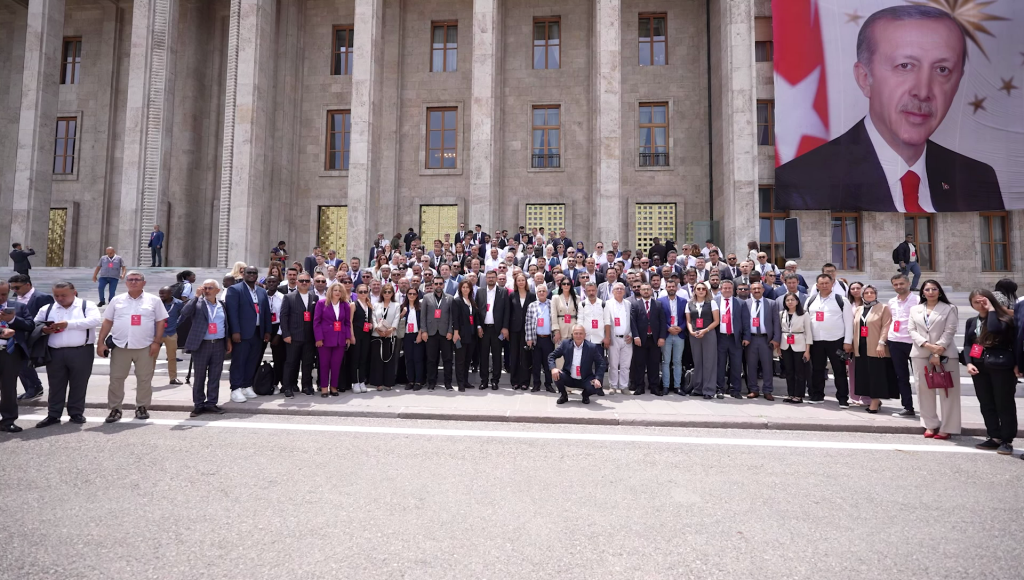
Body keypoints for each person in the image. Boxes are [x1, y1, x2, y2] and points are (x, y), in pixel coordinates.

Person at [775, 5, 1003, 212]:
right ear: (865, 78)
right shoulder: (803, 183)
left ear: (958, 82)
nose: (923, 91)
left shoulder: (978, 179)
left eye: (942, 69)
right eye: (905, 66)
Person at [96, 271, 168, 423]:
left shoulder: (154, 300)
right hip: (120, 345)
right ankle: (115, 409)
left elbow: (160, 322)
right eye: (130, 279)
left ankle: (142, 407)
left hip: (145, 346)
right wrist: (100, 342)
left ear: (144, 282)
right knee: (116, 379)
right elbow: (107, 321)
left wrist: (156, 342)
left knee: (144, 379)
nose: (134, 282)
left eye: (137, 279)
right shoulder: (117, 300)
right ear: (126, 282)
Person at [30, 281, 101, 427]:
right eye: (56, 295)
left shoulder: (86, 305)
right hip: (54, 352)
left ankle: (76, 413)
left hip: (81, 351)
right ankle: (53, 414)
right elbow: (35, 324)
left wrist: (68, 324)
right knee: (55, 384)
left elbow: (94, 321)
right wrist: (44, 329)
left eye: (64, 295)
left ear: (74, 292)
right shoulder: (47, 308)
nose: (60, 298)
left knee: (79, 383)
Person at [963, 289, 1017, 455]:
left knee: (1004, 403)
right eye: (976, 302)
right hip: (979, 366)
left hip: (1001, 366)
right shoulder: (972, 321)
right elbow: (968, 344)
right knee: (986, 403)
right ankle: (994, 436)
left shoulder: (1005, 319)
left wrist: (992, 309)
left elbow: (994, 329)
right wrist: (968, 363)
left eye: (984, 301)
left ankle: (1007, 439)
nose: (981, 305)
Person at [905, 280, 958, 437]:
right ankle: (929, 424)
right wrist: (927, 345)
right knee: (923, 390)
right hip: (920, 353)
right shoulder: (915, 309)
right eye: (927, 289)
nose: (930, 292)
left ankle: (948, 427)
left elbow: (950, 330)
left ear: (939, 291)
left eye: (934, 289)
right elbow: (911, 330)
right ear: (922, 292)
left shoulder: (949, 308)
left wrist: (937, 351)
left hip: (945, 353)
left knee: (948, 391)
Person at [179, 279, 231, 416]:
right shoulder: (198, 303)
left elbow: (226, 324)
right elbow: (185, 312)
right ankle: (199, 404)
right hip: (202, 344)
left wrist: (228, 341)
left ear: (217, 291)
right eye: (205, 288)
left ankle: (212, 403)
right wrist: (196, 296)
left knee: (215, 375)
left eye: (210, 288)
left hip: (218, 344)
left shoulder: (222, 305)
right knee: (200, 376)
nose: (207, 291)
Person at [805, 273, 853, 407]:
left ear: (832, 284)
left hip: (836, 340)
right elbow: (806, 320)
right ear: (817, 285)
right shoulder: (810, 300)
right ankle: (817, 395)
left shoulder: (841, 300)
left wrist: (848, 341)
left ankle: (842, 398)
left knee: (839, 370)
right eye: (821, 283)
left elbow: (848, 322)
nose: (824, 286)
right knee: (817, 369)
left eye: (827, 283)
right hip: (816, 341)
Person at [225, 266, 271, 403]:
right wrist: (235, 331)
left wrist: (267, 330)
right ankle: (236, 388)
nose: (252, 275)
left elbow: (266, 312)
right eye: (249, 273)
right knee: (239, 361)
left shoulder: (262, 291)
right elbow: (232, 313)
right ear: (243, 274)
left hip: (258, 332)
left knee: (253, 360)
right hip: (242, 333)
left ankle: (246, 385)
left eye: (254, 273)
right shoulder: (235, 290)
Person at [7, 274, 52, 400]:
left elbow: (49, 315)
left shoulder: (42, 297)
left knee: (25, 363)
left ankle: (35, 386)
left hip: (34, 335)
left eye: (17, 287)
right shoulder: (16, 299)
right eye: (12, 288)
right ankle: (30, 388)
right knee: (18, 364)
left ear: (28, 285)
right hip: (18, 336)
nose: (15, 290)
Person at [852, 285, 894, 415]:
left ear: (876, 294)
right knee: (865, 375)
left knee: (876, 375)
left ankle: (874, 403)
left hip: (876, 347)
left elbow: (886, 326)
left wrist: (881, 343)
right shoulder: (859, 309)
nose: (869, 295)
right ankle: (873, 400)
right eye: (866, 293)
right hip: (861, 348)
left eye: (872, 292)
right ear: (862, 295)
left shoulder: (883, 308)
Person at [0, 281, 33, 432]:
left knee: (9, 387)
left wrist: (12, 320)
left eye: (4, 294)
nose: (1, 298)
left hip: (10, 353)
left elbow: (30, 325)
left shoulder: (19, 307)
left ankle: (8, 420)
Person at [548, 324, 608, 405]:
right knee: (556, 374)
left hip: (585, 379)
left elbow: (601, 363)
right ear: (572, 334)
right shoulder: (565, 344)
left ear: (585, 335)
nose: (578, 336)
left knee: (595, 386)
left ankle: (585, 395)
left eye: (581, 333)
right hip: (569, 377)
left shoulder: (591, 347)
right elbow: (551, 356)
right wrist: (553, 368)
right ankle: (563, 395)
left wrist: (598, 378)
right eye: (576, 333)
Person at [886, 273, 919, 417]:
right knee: (902, 377)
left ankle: (926, 408)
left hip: (913, 343)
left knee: (919, 377)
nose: (899, 286)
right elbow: (890, 320)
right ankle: (907, 407)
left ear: (908, 283)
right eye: (895, 284)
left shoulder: (918, 300)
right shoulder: (892, 301)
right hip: (895, 342)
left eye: (901, 283)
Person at [280, 272, 318, 397]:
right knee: (291, 363)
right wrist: (286, 334)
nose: (304, 283)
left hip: (309, 337)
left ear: (310, 283)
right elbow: (283, 317)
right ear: (297, 282)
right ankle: (288, 387)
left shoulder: (314, 297)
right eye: (301, 281)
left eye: (306, 281)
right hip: (294, 336)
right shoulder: (288, 297)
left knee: (307, 363)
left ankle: (306, 386)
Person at [314, 282, 352, 397]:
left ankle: (334, 387)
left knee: (336, 365)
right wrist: (319, 338)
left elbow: (347, 323)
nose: (337, 292)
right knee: (324, 364)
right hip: (325, 339)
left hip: (340, 339)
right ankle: (324, 388)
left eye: (340, 291)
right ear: (331, 291)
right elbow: (316, 322)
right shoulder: (321, 303)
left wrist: (348, 337)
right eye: (335, 290)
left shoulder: (345, 305)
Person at [744, 282, 780, 400]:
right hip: (751, 339)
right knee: (751, 365)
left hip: (766, 339)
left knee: (767, 366)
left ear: (763, 290)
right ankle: (753, 389)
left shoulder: (771, 303)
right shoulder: (746, 303)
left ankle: (767, 390)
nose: (756, 290)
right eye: (754, 289)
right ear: (750, 291)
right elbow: (744, 322)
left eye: (759, 288)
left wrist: (776, 338)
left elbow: (776, 322)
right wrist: (745, 337)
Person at [715, 280, 749, 399]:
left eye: (729, 288)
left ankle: (735, 389)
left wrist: (746, 337)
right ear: (721, 289)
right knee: (720, 364)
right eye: (725, 288)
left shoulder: (740, 303)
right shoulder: (714, 301)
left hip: (735, 338)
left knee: (736, 365)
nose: (727, 290)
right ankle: (719, 388)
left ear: (733, 289)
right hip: (720, 337)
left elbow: (745, 321)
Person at [629, 283, 665, 395]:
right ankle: (640, 386)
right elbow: (633, 322)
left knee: (654, 364)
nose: (645, 291)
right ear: (640, 291)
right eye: (643, 289)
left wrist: (661, 337)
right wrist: (636, 336)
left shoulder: (658, 304)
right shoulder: (635, 304)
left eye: (648, 289)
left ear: (651, 291)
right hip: (640, 339)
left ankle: (654, 386)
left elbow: (662, 322)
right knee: (639, 364)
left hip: (654, 339)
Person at [476, 270, 509, 390]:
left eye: (493, 277)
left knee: (496, 356)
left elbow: (507, 311)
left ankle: (495, 380)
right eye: (488, 277)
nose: (490, 279)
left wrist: (505, 327)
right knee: (483, 356)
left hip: (497, 330)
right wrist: (478, 326)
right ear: (486, 279)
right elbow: (476, 311)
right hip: (484, 329)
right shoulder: (480, 292)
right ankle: (484, 380)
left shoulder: (503, 292)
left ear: (496, 279)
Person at [420, 277, 454, 391]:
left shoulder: (450, 298)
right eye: (436, 284)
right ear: (433, 285)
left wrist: (450, 331)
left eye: (440, 283)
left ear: (443, 285)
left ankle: (448, 383)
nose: (438, 285)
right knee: (431, 359)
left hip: (445, 333)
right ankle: (431, 383)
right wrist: (424, 331)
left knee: (447, 359)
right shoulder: (426, 297)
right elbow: (423, 316)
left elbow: (451, 317)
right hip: (431, 333)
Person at [686, 282, 720, 399]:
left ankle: (709, 390)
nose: (701, 291)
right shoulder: (689, 304)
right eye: (698, 289)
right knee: (697, 361)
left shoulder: (712, 303)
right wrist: (691, 331)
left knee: (709, 362)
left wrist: (705, 330)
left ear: (706, 291)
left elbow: (716, 321)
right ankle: (698, 388)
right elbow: (688, 321)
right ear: (694, 291)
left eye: (703, 289)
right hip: (694, 335)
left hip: (708, 334)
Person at [778, 292, 812, 404]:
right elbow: (779, 331)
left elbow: (808, 332)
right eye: (787, 300)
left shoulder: (804, 314)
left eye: (792, 300)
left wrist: (807, 350)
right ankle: (791, 393)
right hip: (785, 345)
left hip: (800, 345)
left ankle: (799, 395)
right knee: (789, 371)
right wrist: (779, 348)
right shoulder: (782, 314)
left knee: (800, 371)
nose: (790, 302)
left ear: (797, 301)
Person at [525, 284, 556, 393]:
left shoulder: (552, 304)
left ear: (547, 293)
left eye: (543, 291)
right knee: (536, 363)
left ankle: (548, 384)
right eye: (539, 291)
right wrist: (529, 338)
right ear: (537, 293)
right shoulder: (532, 305)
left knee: (548, 363)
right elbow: (528, 323)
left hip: (548, 339)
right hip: (536, 338)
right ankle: (536, 384)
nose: (542, 293)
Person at [452, 280, 482, 392]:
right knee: (460, 360)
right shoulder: (457, 301)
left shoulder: (472, 301)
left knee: (467, 360)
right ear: (460, 289)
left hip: (471, 335)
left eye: (467, 287)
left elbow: (475, 317)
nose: (465, 289)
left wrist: (478, 327)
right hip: (461, 335)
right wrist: (456, 333)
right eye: (463, 287)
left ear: (470, 289)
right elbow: (455, 318)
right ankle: (460, 383)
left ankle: (465, 381)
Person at [659, 279, 687, 396]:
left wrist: (681, 328)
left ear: (676, 288)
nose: (671, 288)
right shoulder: (660, 301)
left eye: (673, 286)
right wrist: (668, 328)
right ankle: (665, 386)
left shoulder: (683, 301)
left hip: (679, 334)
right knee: (665, 361)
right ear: (666, 288)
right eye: (669, 286)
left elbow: (687, 318)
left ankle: (677, 386)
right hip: (666, 334)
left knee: (677, 361)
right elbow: (659, 318)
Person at [603, 283, 632, 394]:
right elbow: (606, 321)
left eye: (621, 289)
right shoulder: (608, 304)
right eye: (617, 289)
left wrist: (631, 334)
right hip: (614, 338)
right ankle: (613, 385)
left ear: (624, 291)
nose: (619, 290)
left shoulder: (628, 304)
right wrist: (607, 337)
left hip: (627, 338)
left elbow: (632, 321)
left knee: (625, 364)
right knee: (613, 364)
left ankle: (624, 386)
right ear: (613, 291)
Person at [508, 273, 535, 390]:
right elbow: (508, 313)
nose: (521, 282)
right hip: (514, 329)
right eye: (518, 280)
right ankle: (514, 381)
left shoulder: (532, 295)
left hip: (527, 330)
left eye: (522, 280)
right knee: (514, 355)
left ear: (526, 282)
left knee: (525, 356)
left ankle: (525, 381)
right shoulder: (512, 295)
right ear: (515, 282)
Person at [369, 284, 399, 391]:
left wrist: (390, 330)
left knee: (389, 359)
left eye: (389, 292)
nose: (387, 294)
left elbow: (396, 318)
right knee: (377, 360)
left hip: (390, 335)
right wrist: (377, 329)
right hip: (377, 335)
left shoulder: (396, 305)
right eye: (385, 292)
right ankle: (378, 383)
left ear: (392, 294)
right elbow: (373, 318)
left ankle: (388, 382)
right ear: (382, 293)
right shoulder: (376, 304)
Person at [261, 275, 287, 391]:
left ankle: (278, 383)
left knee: (278, 358)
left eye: (274, 281)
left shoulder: (282, 297)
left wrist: (278, 334)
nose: (271, 284)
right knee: (257, 355)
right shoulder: (262, 296)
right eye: (269, 282)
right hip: (263, 327)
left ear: (278, 283)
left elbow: (284, 317)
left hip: (277, 327)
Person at [157, 286, 184, 385]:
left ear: (171, 293)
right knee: (152, 357)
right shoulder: (157, 303)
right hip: (158, 333)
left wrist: (177, 324)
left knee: (172, 357)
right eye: (160, 293)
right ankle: (147, 378)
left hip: (171, 333)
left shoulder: (178, 303)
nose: (161, 296)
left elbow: (183, 315)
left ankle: (173, 378)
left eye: (163, 293)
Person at [401, 287, 426, 390]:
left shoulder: (420, 307)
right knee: (409, 359)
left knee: (418, 359)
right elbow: (397, 320)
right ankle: (410, 380)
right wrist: (402, 313)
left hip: (417, 334)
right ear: (407, 295)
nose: (412, 296)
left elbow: (423, 321)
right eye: (410, 294)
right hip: (407, 335)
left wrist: (420, 334)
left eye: (414, 294)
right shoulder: (403, 307)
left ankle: (418, 381)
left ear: (417, 295)